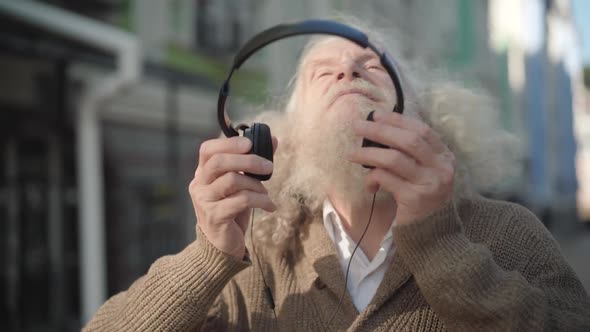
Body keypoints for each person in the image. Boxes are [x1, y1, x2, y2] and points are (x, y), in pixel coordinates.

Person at [84, 18, 590, 331]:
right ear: (291, 135)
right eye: (323, 72)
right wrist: (206, 257)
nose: (348, 72)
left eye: (371, 67)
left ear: (423, 117)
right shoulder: (261, 256)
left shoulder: (509, 233)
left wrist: (438, 244)